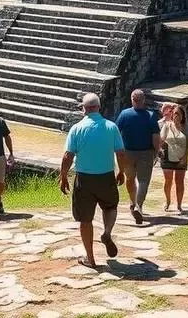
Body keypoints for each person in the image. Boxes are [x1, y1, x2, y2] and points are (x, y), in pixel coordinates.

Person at [59, 93, 126, 269]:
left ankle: (90, 258)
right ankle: (107, 232)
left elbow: (68, 155)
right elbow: (120, 153)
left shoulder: (77, 128)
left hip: (84, 178)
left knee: (85, 219)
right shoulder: (111, 127)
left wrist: (63, 176)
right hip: (106, 175)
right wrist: (121, 171)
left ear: (84, 109)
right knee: (110, 206)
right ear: (98, 107)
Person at [114, 89, 161, 224]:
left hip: (127, 153)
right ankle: (138, 206)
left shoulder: (124, 114)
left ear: (132, 100)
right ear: (143, 100)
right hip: (145, 153)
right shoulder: (151, 116)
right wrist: (157, 151)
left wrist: (117, 149)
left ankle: (132, 202)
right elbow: (155, 136)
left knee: (130, 178)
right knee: (143, 180)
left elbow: (116, 132)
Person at [158, 102, 188, 213]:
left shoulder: (187, 128)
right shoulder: (167, 125)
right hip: (167, 156)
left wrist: (185, 156)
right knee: (168, 181)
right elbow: (161, 139)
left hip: (181, 157)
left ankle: (179, 205)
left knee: (179, 181)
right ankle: (167, 201)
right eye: (175, 113)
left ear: (182, 115)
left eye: (178, 113)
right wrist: (160, 149)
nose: (176, 115)